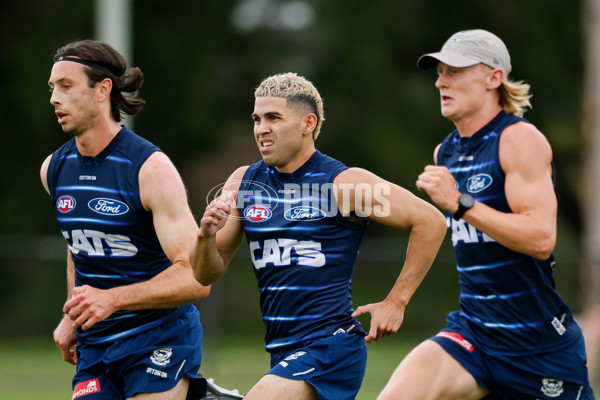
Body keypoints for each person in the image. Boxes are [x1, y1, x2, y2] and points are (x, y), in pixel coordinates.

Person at [190, 72, 447, 400]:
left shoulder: (345, 184)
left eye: (273, 118)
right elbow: (206, 273)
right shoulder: (244, 183)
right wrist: (205, 236)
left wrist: (396, 302)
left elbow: (430, 221)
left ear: (307, 123)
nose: (261, 128)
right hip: (282, 352)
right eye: (256, 119)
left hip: (331, 346)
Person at [377, 29, 595, 399]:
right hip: (473, 335)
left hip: (538, 347)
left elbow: (541, 239)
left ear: (494, 78)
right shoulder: (444, 152)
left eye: (456, 71)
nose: (441, 82)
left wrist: (462, 203)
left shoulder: (519, 139)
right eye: (440, 72)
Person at [41, 40, 212, 400]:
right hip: (97, 346)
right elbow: (80, 245)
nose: (55, 98)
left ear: (103, 90)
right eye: (52, 88)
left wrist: (112, 299)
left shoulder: (150, 170)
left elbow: (197, 278)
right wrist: (74, 314)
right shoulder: (54, 169)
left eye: (66, 86)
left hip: (159, 338)